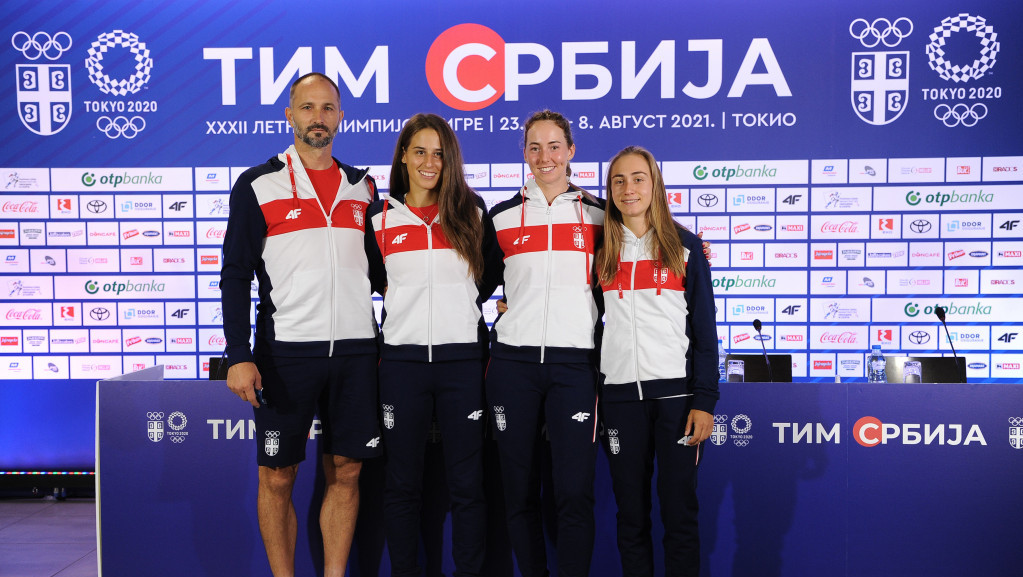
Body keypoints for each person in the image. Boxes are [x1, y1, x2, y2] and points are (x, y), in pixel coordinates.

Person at [220, 72, 382, 577]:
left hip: (357, 351)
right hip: (285, 352)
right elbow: (234, 273)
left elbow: (385, 271)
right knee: (277, 477)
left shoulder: (364, 185)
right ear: (289, 115)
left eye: (328, 108)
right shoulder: (257, 183)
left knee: (348, 471)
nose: (318, 117)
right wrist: (238, 354)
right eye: (307, 107)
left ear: (341, 117)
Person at [363, 113, 501, 577]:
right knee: (401, 485)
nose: (429, 161)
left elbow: (488, 279)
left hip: (462, 362)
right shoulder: (379, 217)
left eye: (439, 153)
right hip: (401, 364)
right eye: (419, 151)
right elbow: (378, 281)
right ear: (403, 155)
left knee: (467, 486)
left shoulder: (473, 211)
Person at [486, 110, 604, 577]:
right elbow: (471, 283)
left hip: (576, 366)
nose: (545, 156)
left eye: (554, 146)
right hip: (513, 365)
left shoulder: (600, 214)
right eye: (534, 147)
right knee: (518, 491)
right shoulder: (500, 217)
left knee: (574, 492)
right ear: (524, 153)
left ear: (571, 151)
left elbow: (648, 241)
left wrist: (693, 248)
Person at [597, 146, 719, 577]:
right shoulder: (600, 248)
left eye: (638, 178)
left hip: (677, 400)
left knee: (679, 514)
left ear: (655, 185)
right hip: (619, 401)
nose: (629, 189)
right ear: (609, 190)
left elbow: (705, 332)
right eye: (619, 181)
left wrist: (705, 400)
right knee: (630, 518)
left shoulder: (685, 247)